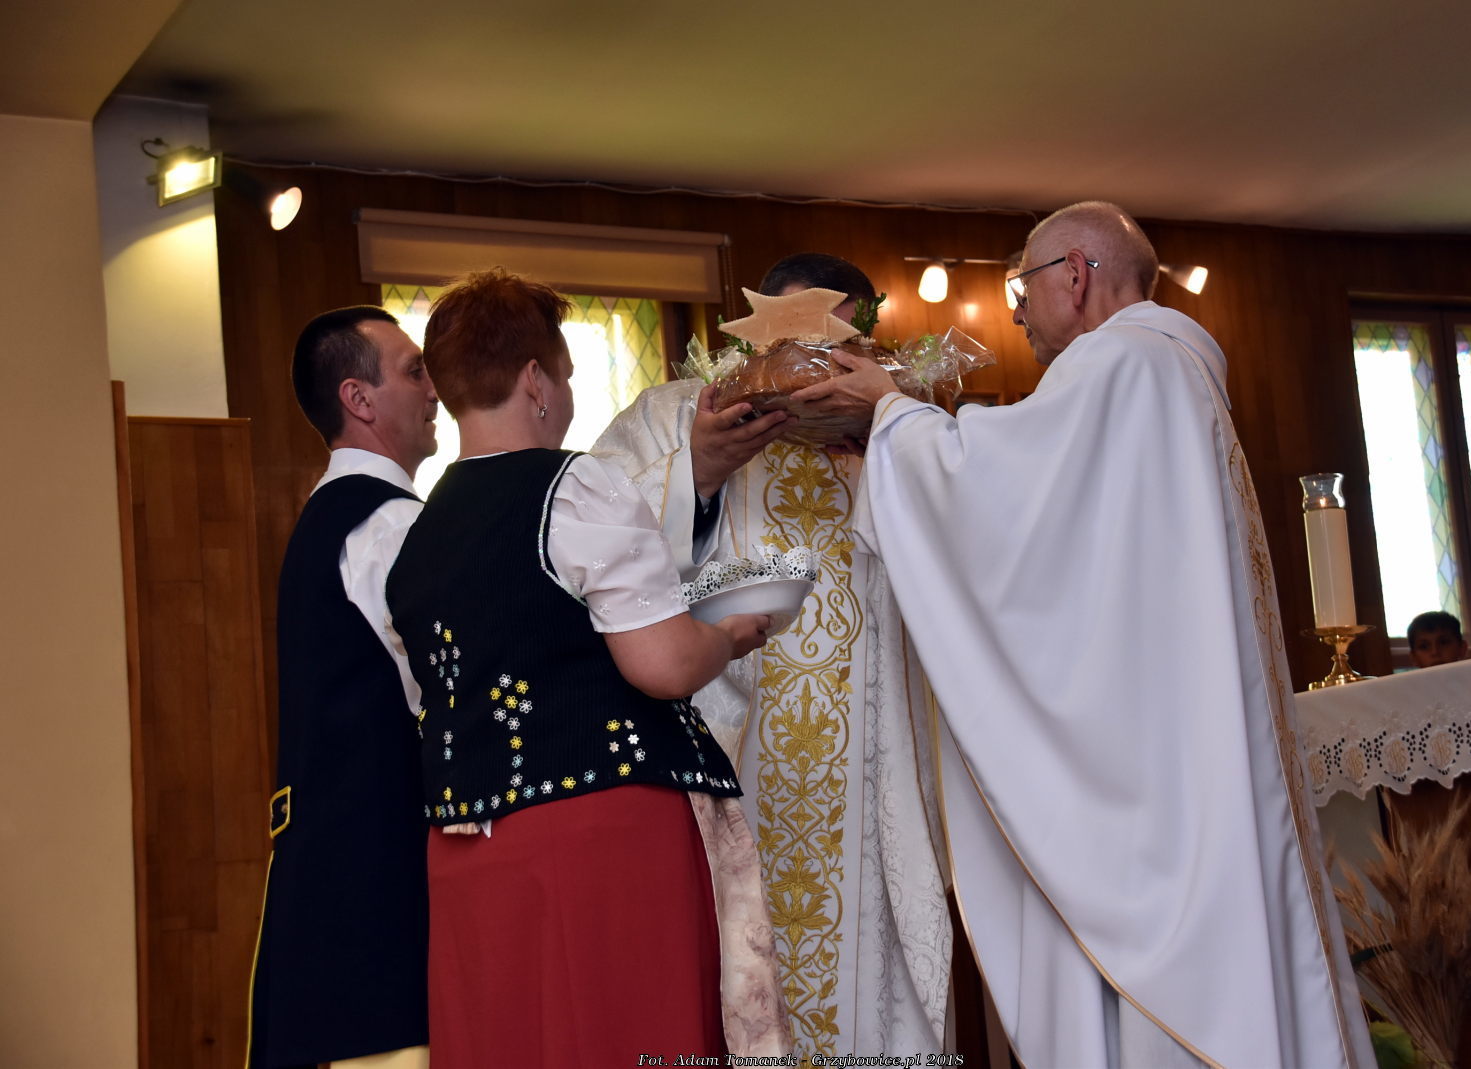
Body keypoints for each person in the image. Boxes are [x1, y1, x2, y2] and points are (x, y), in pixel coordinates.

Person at [792, 203, 1376, 1068]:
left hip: (1152, 773)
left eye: (1023, 286)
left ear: (1074, 274)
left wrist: (891, 413)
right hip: (1175, 738)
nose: (1018, 310)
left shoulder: (1125, 363)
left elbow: (1000, 507)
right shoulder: (1174, 367)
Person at [383, 268, 789, 1066]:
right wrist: (728, 635)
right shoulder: (573, 487)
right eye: (564, 376)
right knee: (621, 1032)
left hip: (468, 851)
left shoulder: (418, 533)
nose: (565, 394)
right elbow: (664, 665)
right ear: (536, 380)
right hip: (599, 831)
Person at [591, 254, 952, 1057]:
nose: (814, 369)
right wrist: (698, 470)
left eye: (836, 350)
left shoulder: (896, 419)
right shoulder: (681, 413)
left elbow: (968, 555)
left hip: (872, 770)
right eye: (794, 343)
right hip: (734, 755)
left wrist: (890, 436)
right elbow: (591, 538)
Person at [247, 306, 438, 1069]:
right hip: (377, 878)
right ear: (358, 398)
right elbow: (442, 688)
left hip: (323, 871)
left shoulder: (328, 516)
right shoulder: (388, 524)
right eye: (415, 371)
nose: (435, 389)